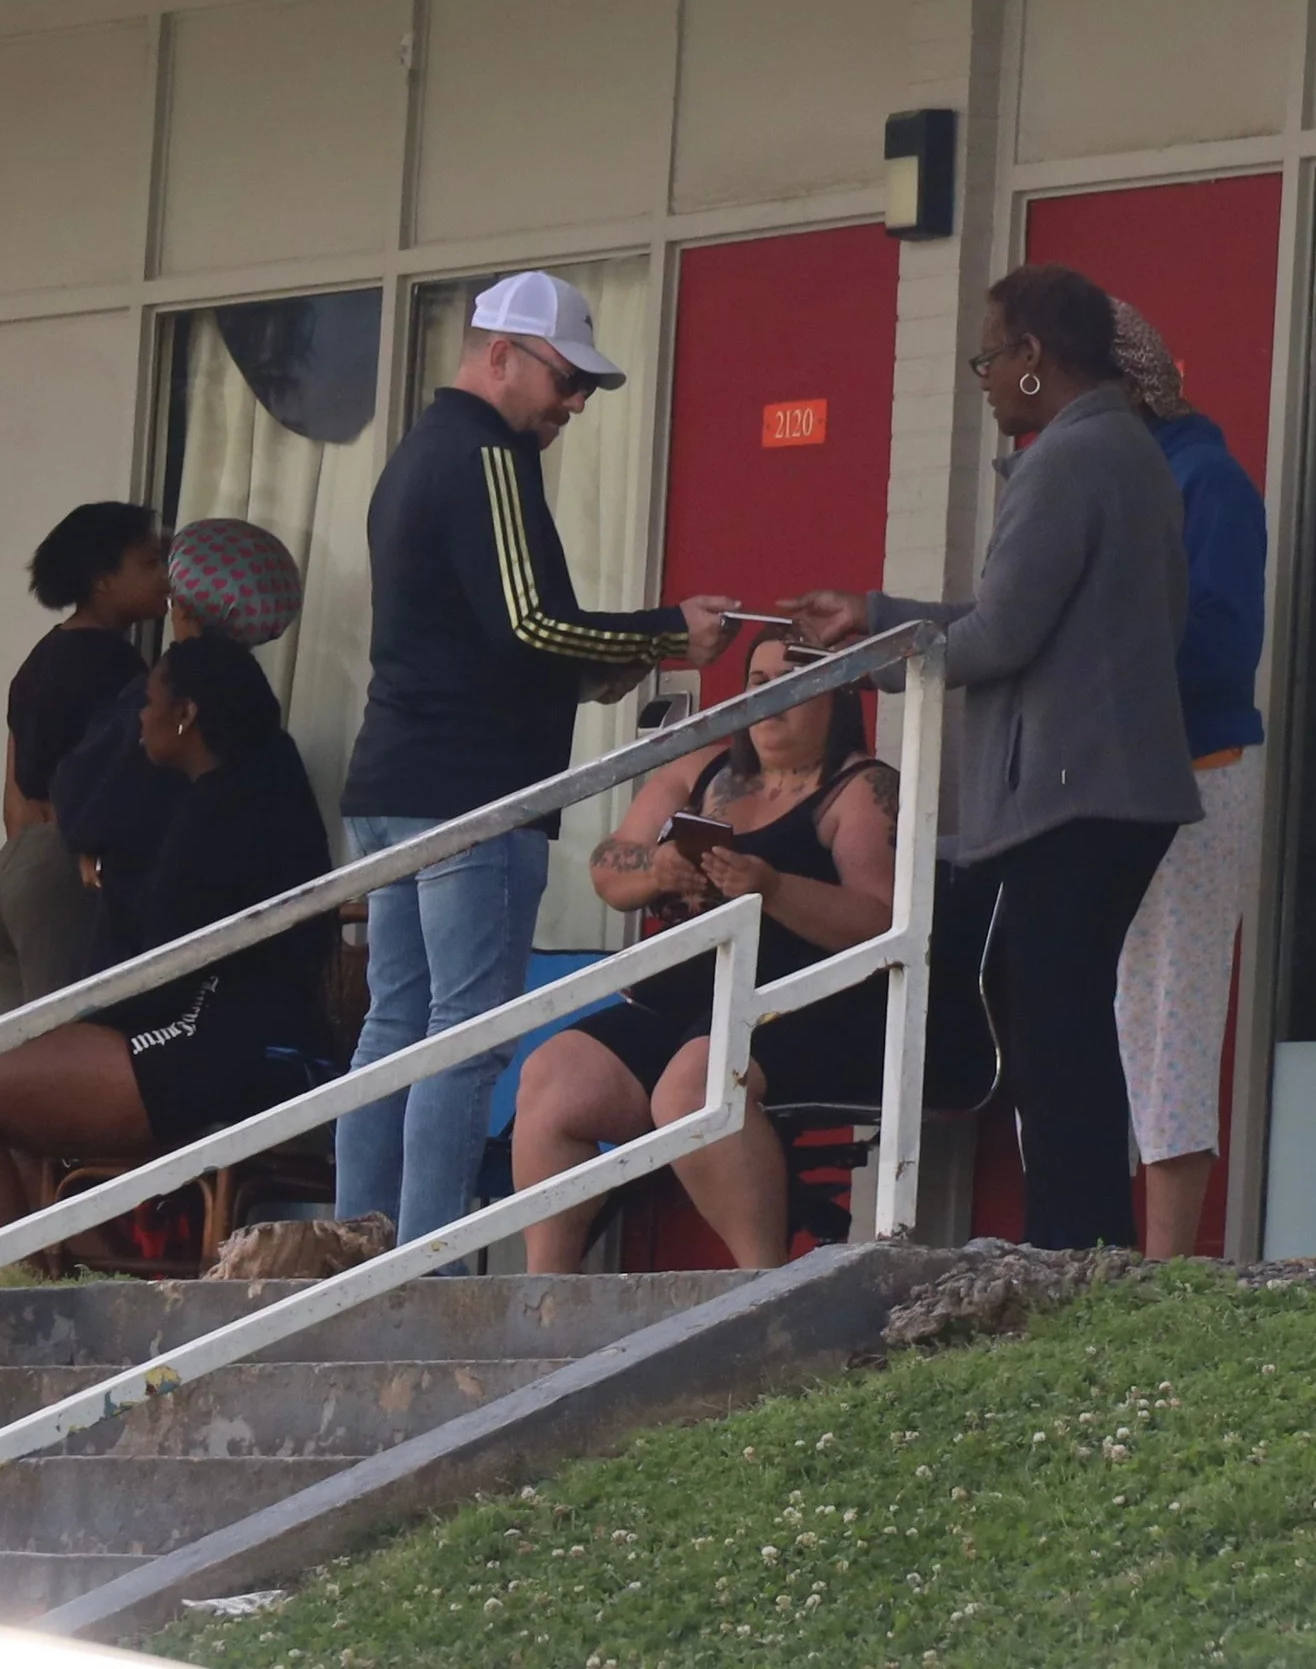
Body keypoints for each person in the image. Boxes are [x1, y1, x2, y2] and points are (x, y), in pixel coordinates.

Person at [790, 262, 1200, 1251]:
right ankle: (1085, 1241)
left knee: (1053, 1024)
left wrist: (875, 662)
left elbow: (997, 638)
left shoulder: (1070, 460)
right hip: (1110, 789)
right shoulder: (1126, 449)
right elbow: (1011, 621)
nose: (977, 374)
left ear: (1031, 357)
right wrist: (880, 619)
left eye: (987, 352)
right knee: (1053, 1009)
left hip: (1075, 791)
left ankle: (1078, 1248)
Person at [335, 269, 737, 1244]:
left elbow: (481, 637)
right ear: (500, 354)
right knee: (464, 1034)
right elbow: (529, 622)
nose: (574, 403)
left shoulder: (414, 456)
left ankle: (351, 1241)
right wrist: (662, 633)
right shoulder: (485, 456)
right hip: (470, 794)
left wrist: (592, 664)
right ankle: (419, 1258)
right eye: (565, 378)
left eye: (586, 387)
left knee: (395, 1022)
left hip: (392, 779)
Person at [0, 634, 334, 1232]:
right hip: (258, 1035)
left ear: (186, 715)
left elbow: (163, 959)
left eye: (150, 701)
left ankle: (30, 1292)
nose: (138, 716)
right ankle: (41, 1279)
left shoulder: (221, 809)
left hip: (222, 1043)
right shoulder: (262, 780)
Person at [511, 640, 898, 1270]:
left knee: (694, 1087)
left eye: (794, 682)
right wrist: (660, 869)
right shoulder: (703, 767)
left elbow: (878, 919)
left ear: (839, 694)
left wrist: (770, 886)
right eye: (758, 680)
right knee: (554, 1077)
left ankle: (759, 1286)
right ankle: (546, 1297)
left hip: (800, 1003)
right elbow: (610, 869)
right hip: (684, 998)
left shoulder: (862, 787)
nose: (772, 700)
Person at [1107, 299, 1269, 1260]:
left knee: (1174, 1012)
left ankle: (1168, 1268)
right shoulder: (1116, 480)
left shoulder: (1206, 480)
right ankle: (1101, 1248)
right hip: (1110, 788)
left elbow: (1220, 645)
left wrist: (1096, 670)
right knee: (1118, 1010)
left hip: (1196, 778)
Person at [52, 516, 306, 930]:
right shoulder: (259, 708)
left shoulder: (169, 689)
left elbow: (85, 785)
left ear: (182, 605)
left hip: (144, 923)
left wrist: (86, 842)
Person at [0, 502, 170, 1012]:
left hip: (10, 872)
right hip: (65, 873)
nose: (167, 577)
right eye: (150, 563)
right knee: (61, 1048)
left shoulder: (39, 661)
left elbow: (15, 794)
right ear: (102, 579)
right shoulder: (114, 665)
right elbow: (118, 782)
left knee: (16, 1056)